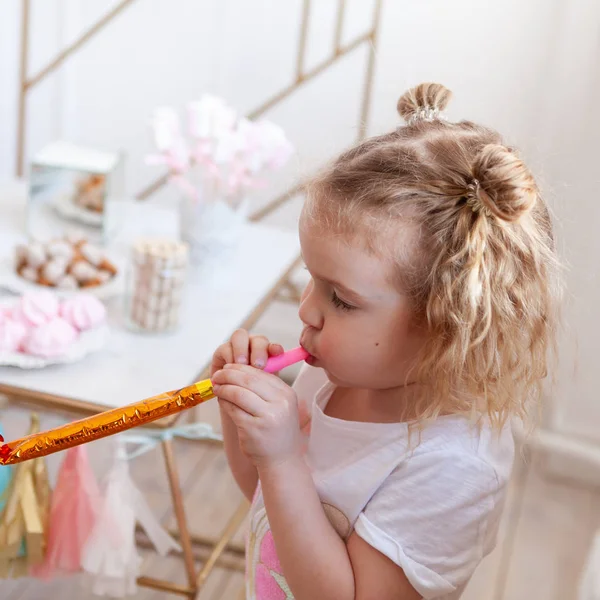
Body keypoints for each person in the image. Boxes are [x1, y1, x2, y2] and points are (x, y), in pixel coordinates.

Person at [210, 82, 561, 599]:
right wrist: (243, 416)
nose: (307, 310)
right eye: (314, 279)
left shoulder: (454, 468)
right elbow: (272, 516)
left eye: (342, 299)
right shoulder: (335, 374)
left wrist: (282, 457)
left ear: (447, 324)